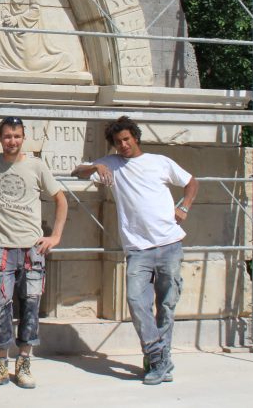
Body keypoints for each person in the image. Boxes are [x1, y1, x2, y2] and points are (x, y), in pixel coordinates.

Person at [71, 116, 199, 385]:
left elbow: (191, 181)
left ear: (136, 138)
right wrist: (97, 165)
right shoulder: (113, 164)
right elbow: (77, 171)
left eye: (127, 139)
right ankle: (157, 356)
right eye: (118, 142)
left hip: (169, 243)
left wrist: (184, 206)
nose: (123, 145)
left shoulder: (159, 162)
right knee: (136, 302)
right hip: (138, 249)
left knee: (166, 304)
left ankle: (158, 360)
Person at [0, 117, 68, 390]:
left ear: (24, 137)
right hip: (1, 248)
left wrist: (55, 236)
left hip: (32, 248)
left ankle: (24, 363)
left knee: (31, 306)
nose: (12, 141)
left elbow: (60, 199)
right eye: (7, 136)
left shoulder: (36, 165)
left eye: (17, 136)